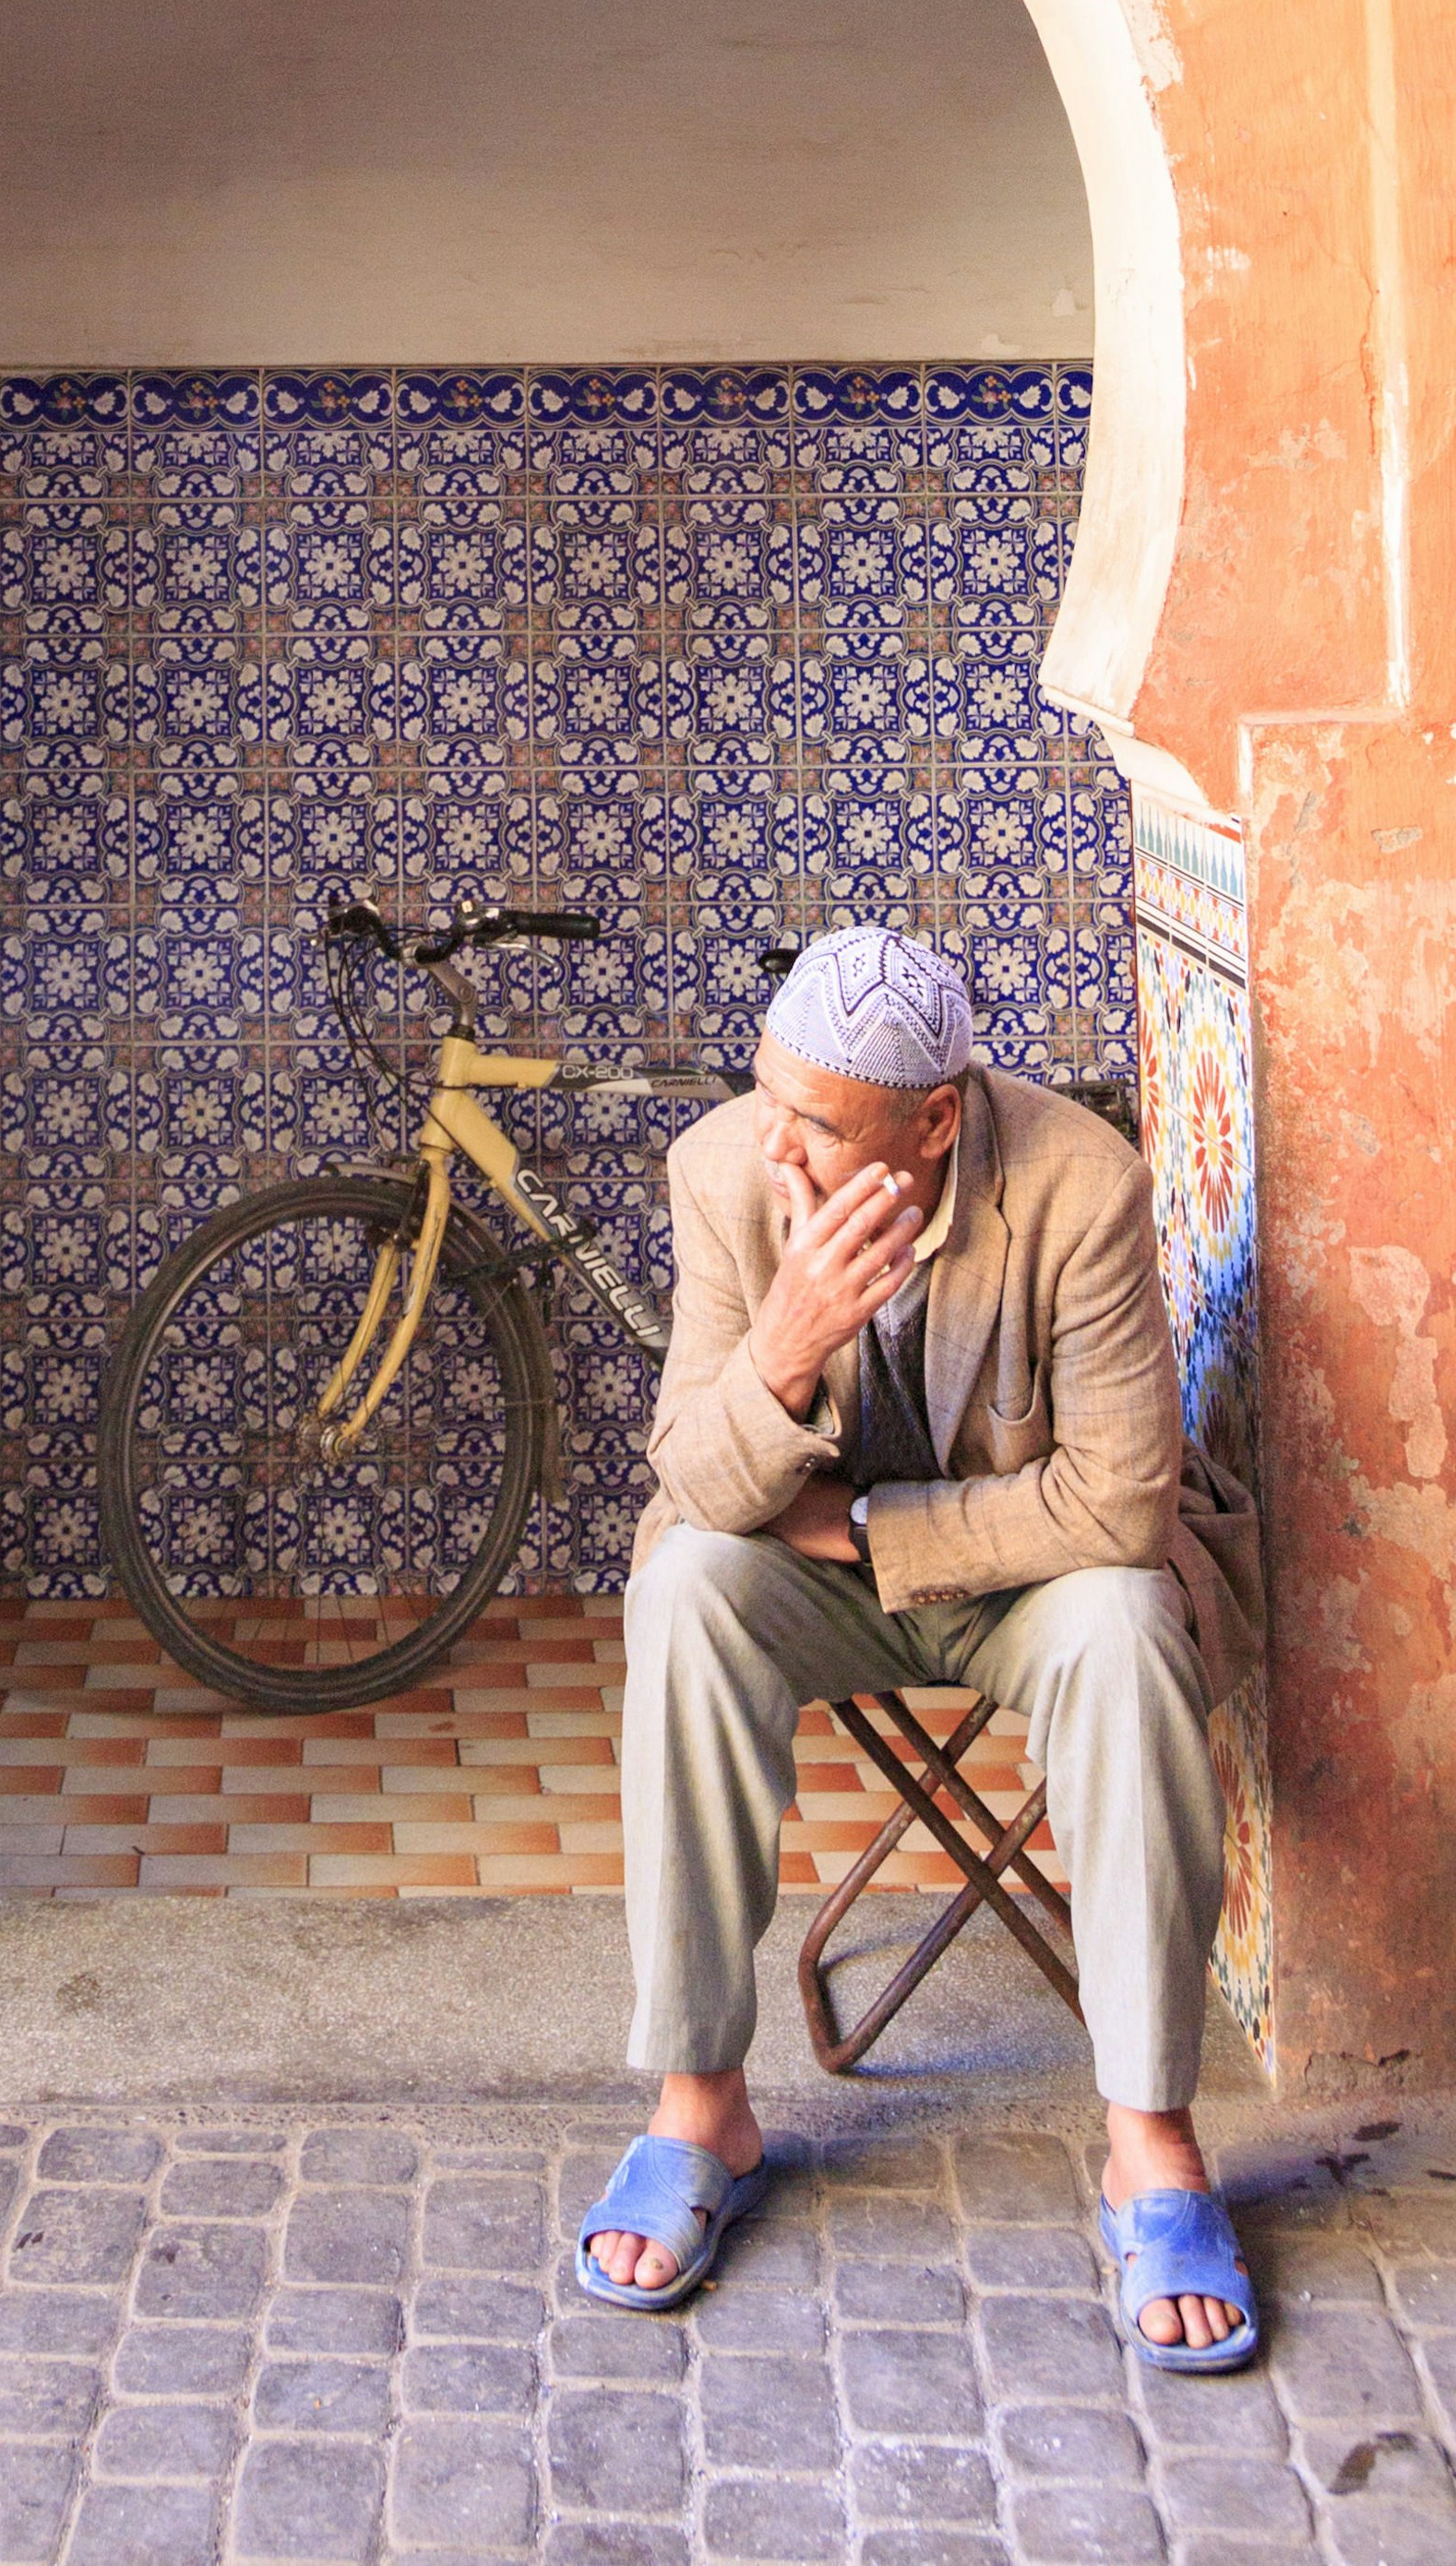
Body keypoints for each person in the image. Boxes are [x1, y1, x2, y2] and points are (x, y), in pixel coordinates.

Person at [576, 921, 1267, 2367]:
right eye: (770, 1101)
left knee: (1133, 1622)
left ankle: (1151, 2138)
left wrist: (870, 1525)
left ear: (936, 1118)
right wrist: (786, 1340)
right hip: (824, 1573)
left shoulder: (1083, 1184)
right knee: (689, 1586)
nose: (780, 1149)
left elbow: (1120, 1500)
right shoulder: (724, 1176)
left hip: (1037, 1584)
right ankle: (702, 2101)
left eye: (816, 1126)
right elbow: (698, 1484)